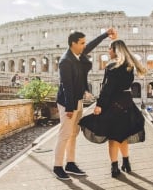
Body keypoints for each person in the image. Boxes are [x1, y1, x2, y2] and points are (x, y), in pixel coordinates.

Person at [53, 28, 116, 180]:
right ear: (73, 44)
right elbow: (66, 86)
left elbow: (92, 45)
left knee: (73, 134)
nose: (84, 45)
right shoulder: (65, 61)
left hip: (78, 100)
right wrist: (69, 108)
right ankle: (57, 166)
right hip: (68, 103)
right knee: (65, 134)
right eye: (81, 43)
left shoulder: (77, 54)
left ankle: (70, 163)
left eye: (84, 43)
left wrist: (105, 34)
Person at [79, 38, 146, 178]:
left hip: (113, 104)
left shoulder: (112, 67)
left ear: (115, 50)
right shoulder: (130, 66)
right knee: (123, 135)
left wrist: (99, 105)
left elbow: (108, 89)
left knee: (113, 138)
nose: (108, 51)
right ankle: (126, 162)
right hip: (127, 103)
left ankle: (115, 167)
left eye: (109, 48)